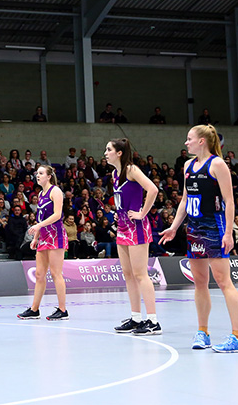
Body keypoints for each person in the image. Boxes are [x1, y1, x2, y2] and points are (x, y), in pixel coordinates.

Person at [161, 125, 238, 353]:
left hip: (214, 227)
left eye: (189, 139)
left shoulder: (217, 164)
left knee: (223, 281)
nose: (186, 142)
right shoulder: (188, 166)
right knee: (199, 282)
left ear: (202, 142)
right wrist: (174, 227)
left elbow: (229, 201)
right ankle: (203, 332)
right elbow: (184, 201)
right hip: (194, 229)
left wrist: (228, 233)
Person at [105, 139, 162, 335]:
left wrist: (142, 213)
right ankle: (136, 318)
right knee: (128, 274)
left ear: (119, 153)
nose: (105, 153)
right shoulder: (114, 174)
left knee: (140, 274)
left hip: (136, 227)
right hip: (122, 227)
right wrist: (117, 212)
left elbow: (153, 189)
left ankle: (153, 321)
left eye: (109, 149)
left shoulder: (131, 169)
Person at [18, 165, 68, 321]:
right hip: (44, 237)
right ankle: (34, 309)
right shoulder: (40, 194)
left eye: (40, 173)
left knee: (55, 273)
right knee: (39, 274)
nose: (37, 176)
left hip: (56, 235)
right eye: (36, 173)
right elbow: (40, 219)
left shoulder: (56, 191)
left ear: (49, 176)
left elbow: (58, 214)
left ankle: (62, 310)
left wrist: (38, 226)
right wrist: (36, 237)